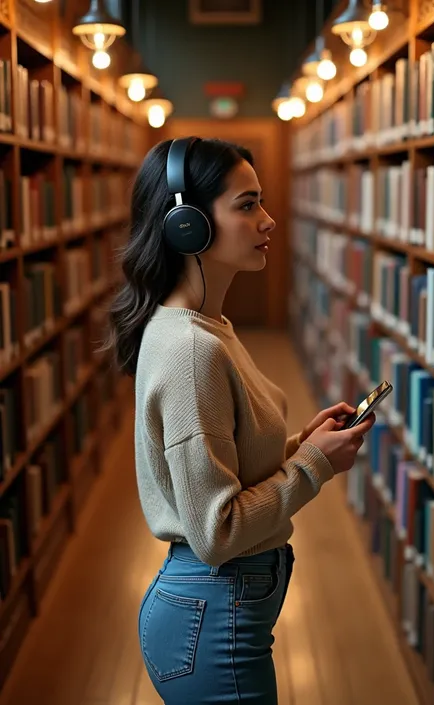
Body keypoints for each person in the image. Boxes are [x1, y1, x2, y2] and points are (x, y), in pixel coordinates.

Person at [106, 136, 375, 705]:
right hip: (213, 620)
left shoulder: (207, 327)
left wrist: (306, 441)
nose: (269, 220)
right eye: (247, 204)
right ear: (188, 225)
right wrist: (312, 466)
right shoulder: (191, 351)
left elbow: (228, 463)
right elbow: (217, 530)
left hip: (217, 612)